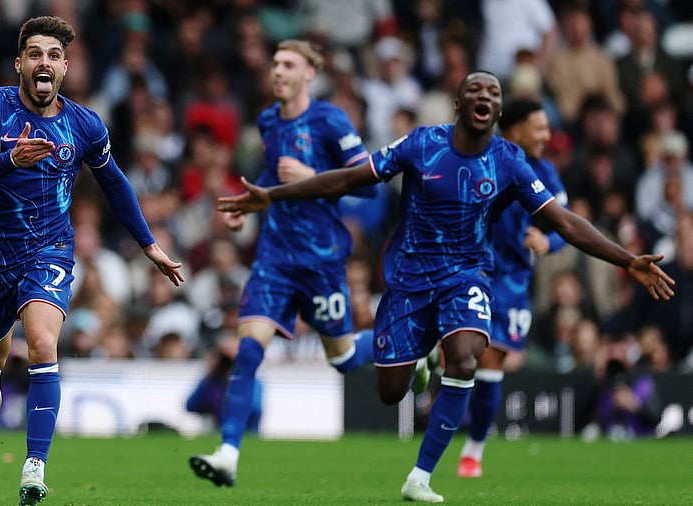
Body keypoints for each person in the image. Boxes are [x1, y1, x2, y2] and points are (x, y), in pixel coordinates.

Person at [216, 71, 675, 503]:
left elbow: (565, 222)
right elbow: (353, 177)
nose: (485, 98)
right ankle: (422, 357)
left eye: (494, 94)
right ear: (458, 104)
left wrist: (628, 258)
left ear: (497, 113)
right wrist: (273, 194)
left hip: (467, 276)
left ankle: (420, 476)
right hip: (408, 282)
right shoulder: (422, 144)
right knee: (390, 391)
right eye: (476, 91)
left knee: (467, 357)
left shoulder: (509, 161)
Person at [0, 16, 183, 506]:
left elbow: (115, 183)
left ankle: (34, 466)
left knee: (41, 343)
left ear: (65, 67)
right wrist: (12, 160)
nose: (44, 63)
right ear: (20, 63)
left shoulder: (84, 124)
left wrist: (147, 244)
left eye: (54, 56)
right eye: (35, 54)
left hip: (49, 251)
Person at [188, 39, 382, 488]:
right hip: (275, 258)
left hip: (321, 262)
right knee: (247, 351)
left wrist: (313, 179)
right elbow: (274, 179)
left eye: (288, 64)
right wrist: (248, 204)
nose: (277, 71)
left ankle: (414, 344)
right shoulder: (268, 120)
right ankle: (228, 454)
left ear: (309, 73)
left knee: (346, 359)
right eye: (275, 63)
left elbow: (370, 185)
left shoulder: (331, 120)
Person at [455, 98, 568, 479]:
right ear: (516, 130)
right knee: (464, 356)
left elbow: (564, 226)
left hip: (514, 285)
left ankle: (473, 451)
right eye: (539, 128)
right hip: (473, 271)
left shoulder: (546, 173)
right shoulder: (485, 160)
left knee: (489, 366)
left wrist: (547, 242)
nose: (547, 135)